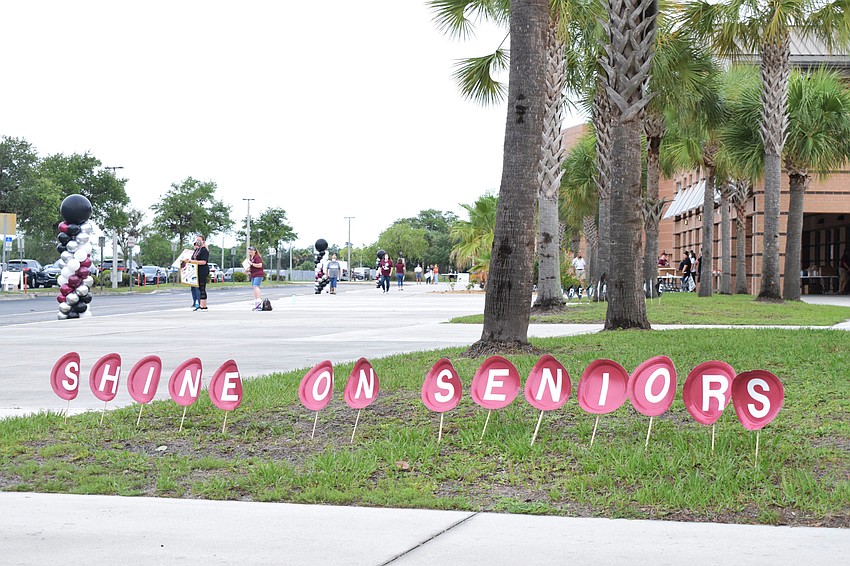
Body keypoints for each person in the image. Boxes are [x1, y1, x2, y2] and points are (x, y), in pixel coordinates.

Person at [192, 235, 210, 310]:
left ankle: (203, 305)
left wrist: (193, 261)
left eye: (199, 240)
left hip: (203, 270)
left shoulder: (204, 250)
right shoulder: (197, 250)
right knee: (199, 287)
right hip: (196, 270)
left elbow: (204, 262)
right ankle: (202, 305)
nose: (198, 242)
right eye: (197, 240)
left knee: (202, 287)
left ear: (203, 241)